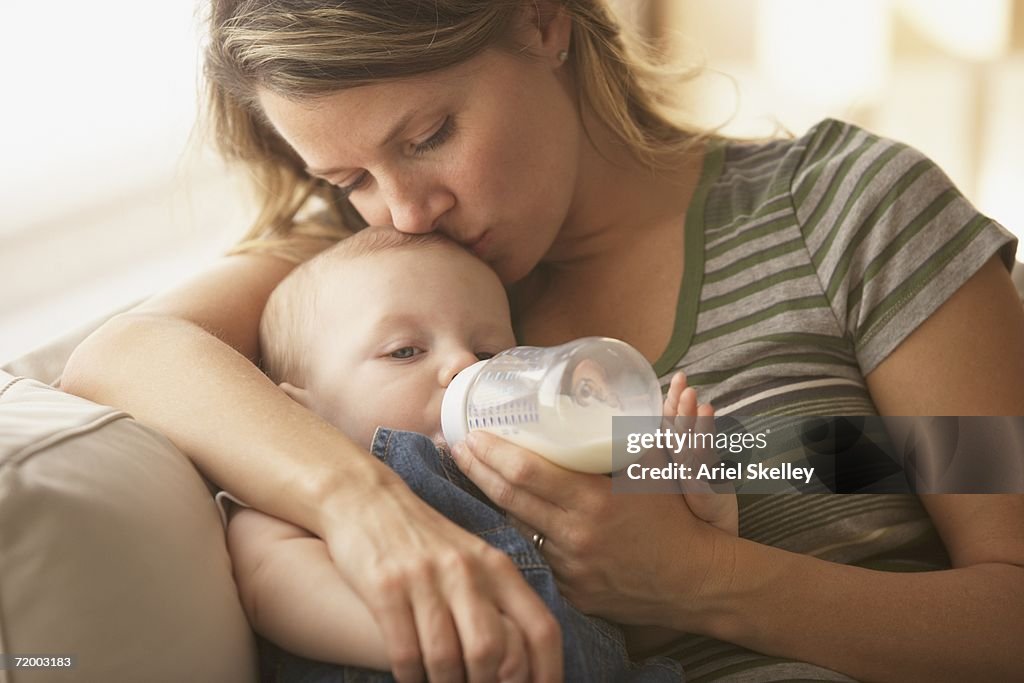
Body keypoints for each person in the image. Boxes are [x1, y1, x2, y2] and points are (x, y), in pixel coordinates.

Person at [61, 1, 1024, 681]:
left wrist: (707, 582)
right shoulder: (373, 284)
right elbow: (124, 354)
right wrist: (361, 507)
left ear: (540, 20)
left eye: (429, 133)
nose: (404, 207)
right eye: (349, 175)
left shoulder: (843, 215)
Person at [228, 225, 728, 681]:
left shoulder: (540, 486)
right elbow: (267, 582)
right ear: (301, 414)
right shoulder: (315, 483)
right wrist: (432, 641)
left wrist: (701, 512)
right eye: (405, 351)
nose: (465, 365)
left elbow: (638, 626)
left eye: (489, 355)